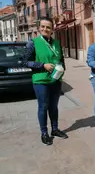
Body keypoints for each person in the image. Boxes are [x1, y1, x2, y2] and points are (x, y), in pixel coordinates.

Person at [23, 17, 68, 145]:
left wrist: (63, 68)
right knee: (43, 107)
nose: (45, 29)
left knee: (54, 107)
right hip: (41, 80)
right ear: (39, 28)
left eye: (48, 27)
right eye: (43, 26)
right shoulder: (33, 43)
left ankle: (55, 129)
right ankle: (44, 133)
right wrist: (43, 65)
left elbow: (61, 58)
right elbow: (25, 62)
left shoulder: (57, 43)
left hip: (56, 79)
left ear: (52, 29)